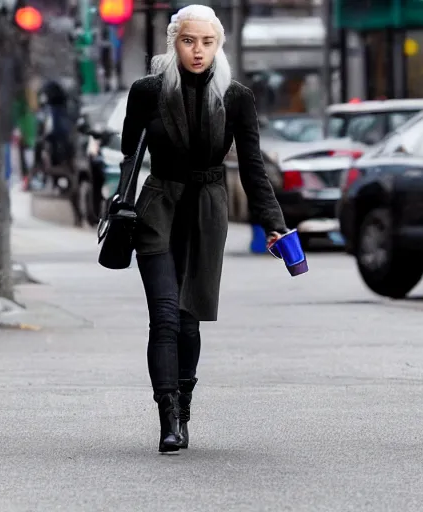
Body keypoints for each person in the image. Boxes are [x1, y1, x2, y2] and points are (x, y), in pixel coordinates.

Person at [121, 4, 288, 453]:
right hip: (157, 207)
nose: (198, 51)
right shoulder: (147, 91)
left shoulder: (236, 97)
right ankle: (168, 418)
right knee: (164, 318)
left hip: (207, 213)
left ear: (219, 45)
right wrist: (119, 207)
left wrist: (273, 224)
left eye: (207, 42)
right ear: (173, 42)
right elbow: (129, 156)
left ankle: (185, 406)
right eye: (188, 41)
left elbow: (253, 169)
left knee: (188, 321)